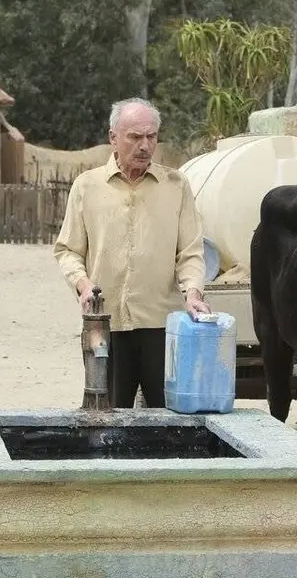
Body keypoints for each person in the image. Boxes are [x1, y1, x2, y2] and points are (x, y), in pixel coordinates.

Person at [54, 97, 211, 408]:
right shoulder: (86, 186)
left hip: (162, 326)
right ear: (113, 138)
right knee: (108, 416)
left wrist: (193, 293)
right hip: (105, 323)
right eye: (135, 137)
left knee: (169, 420)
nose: (145, 145)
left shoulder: (176, 185)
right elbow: (68, 250)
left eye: (151, 136)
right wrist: (83, 285)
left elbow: (190, 252)